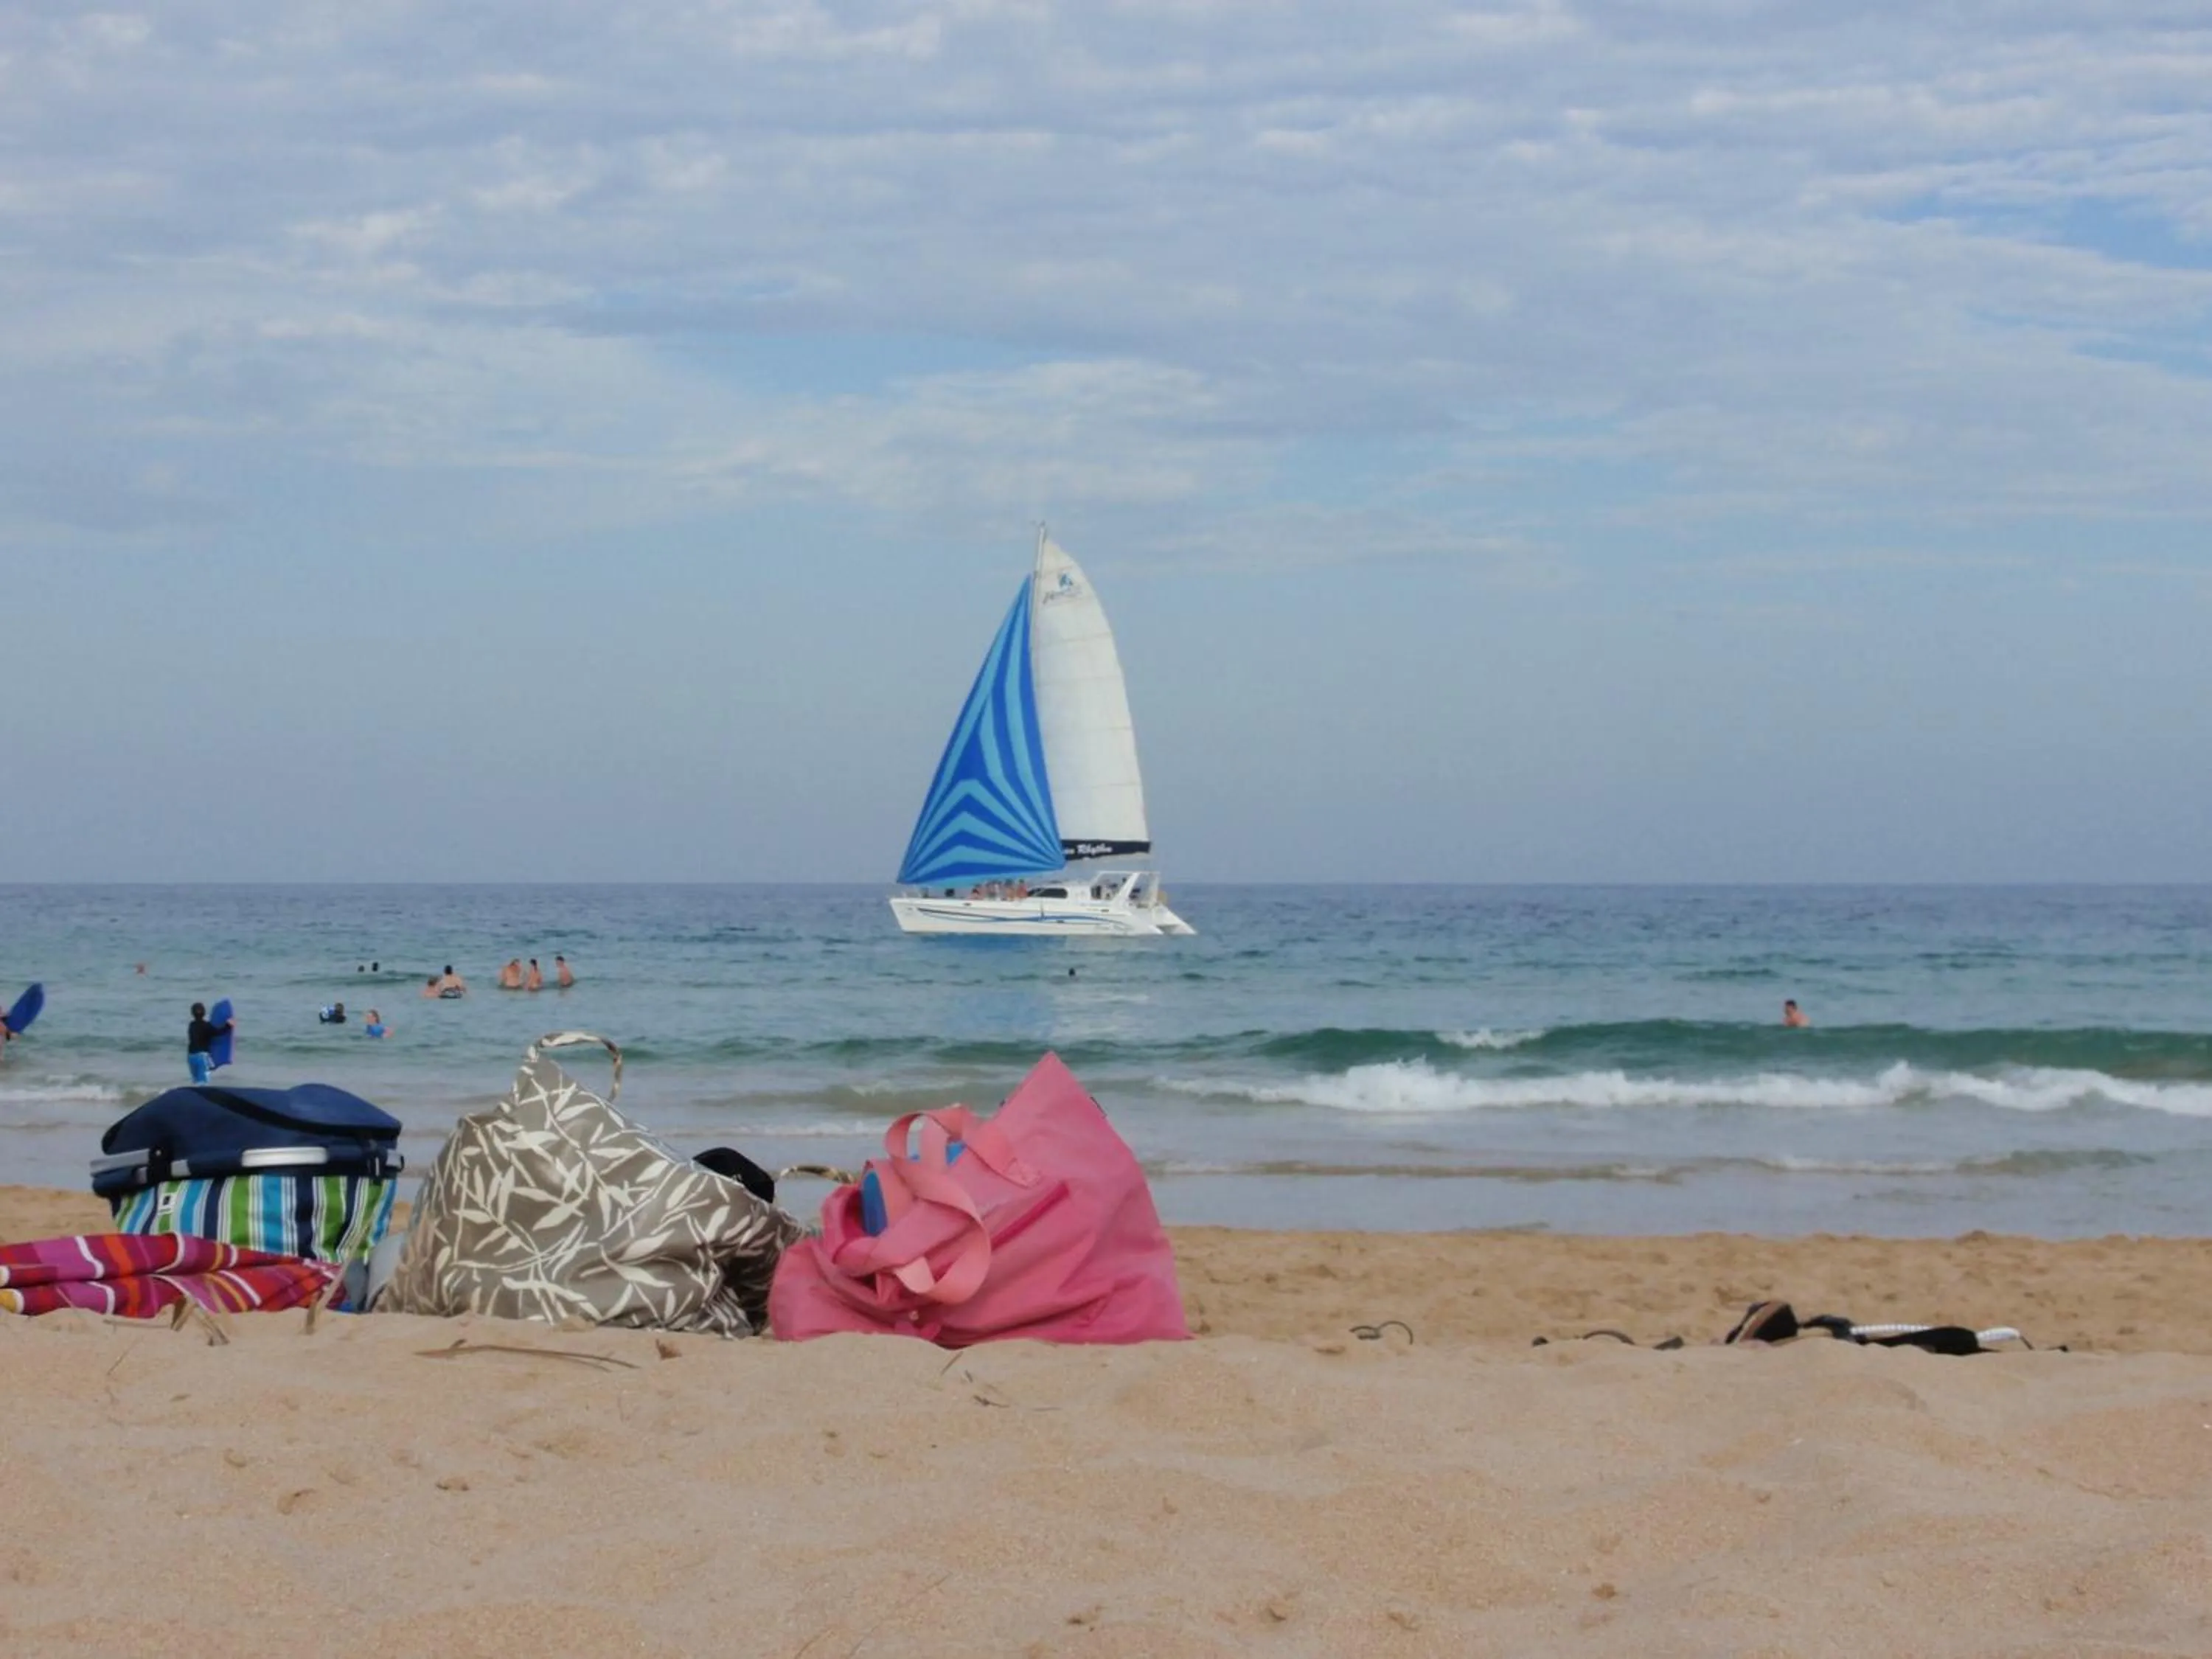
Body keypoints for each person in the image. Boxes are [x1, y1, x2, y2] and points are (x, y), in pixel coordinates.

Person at [187, 1001, 233, 1084]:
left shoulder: (191, 1025)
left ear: (192, 1013)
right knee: (203, 1081)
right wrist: (228, 1025)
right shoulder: (207, 1026)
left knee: (195, 1080)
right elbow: (219, 1032)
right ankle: (201, 1096)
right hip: (202, 1057)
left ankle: (194, 1094)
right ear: (204, 1013)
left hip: (191, 1056)